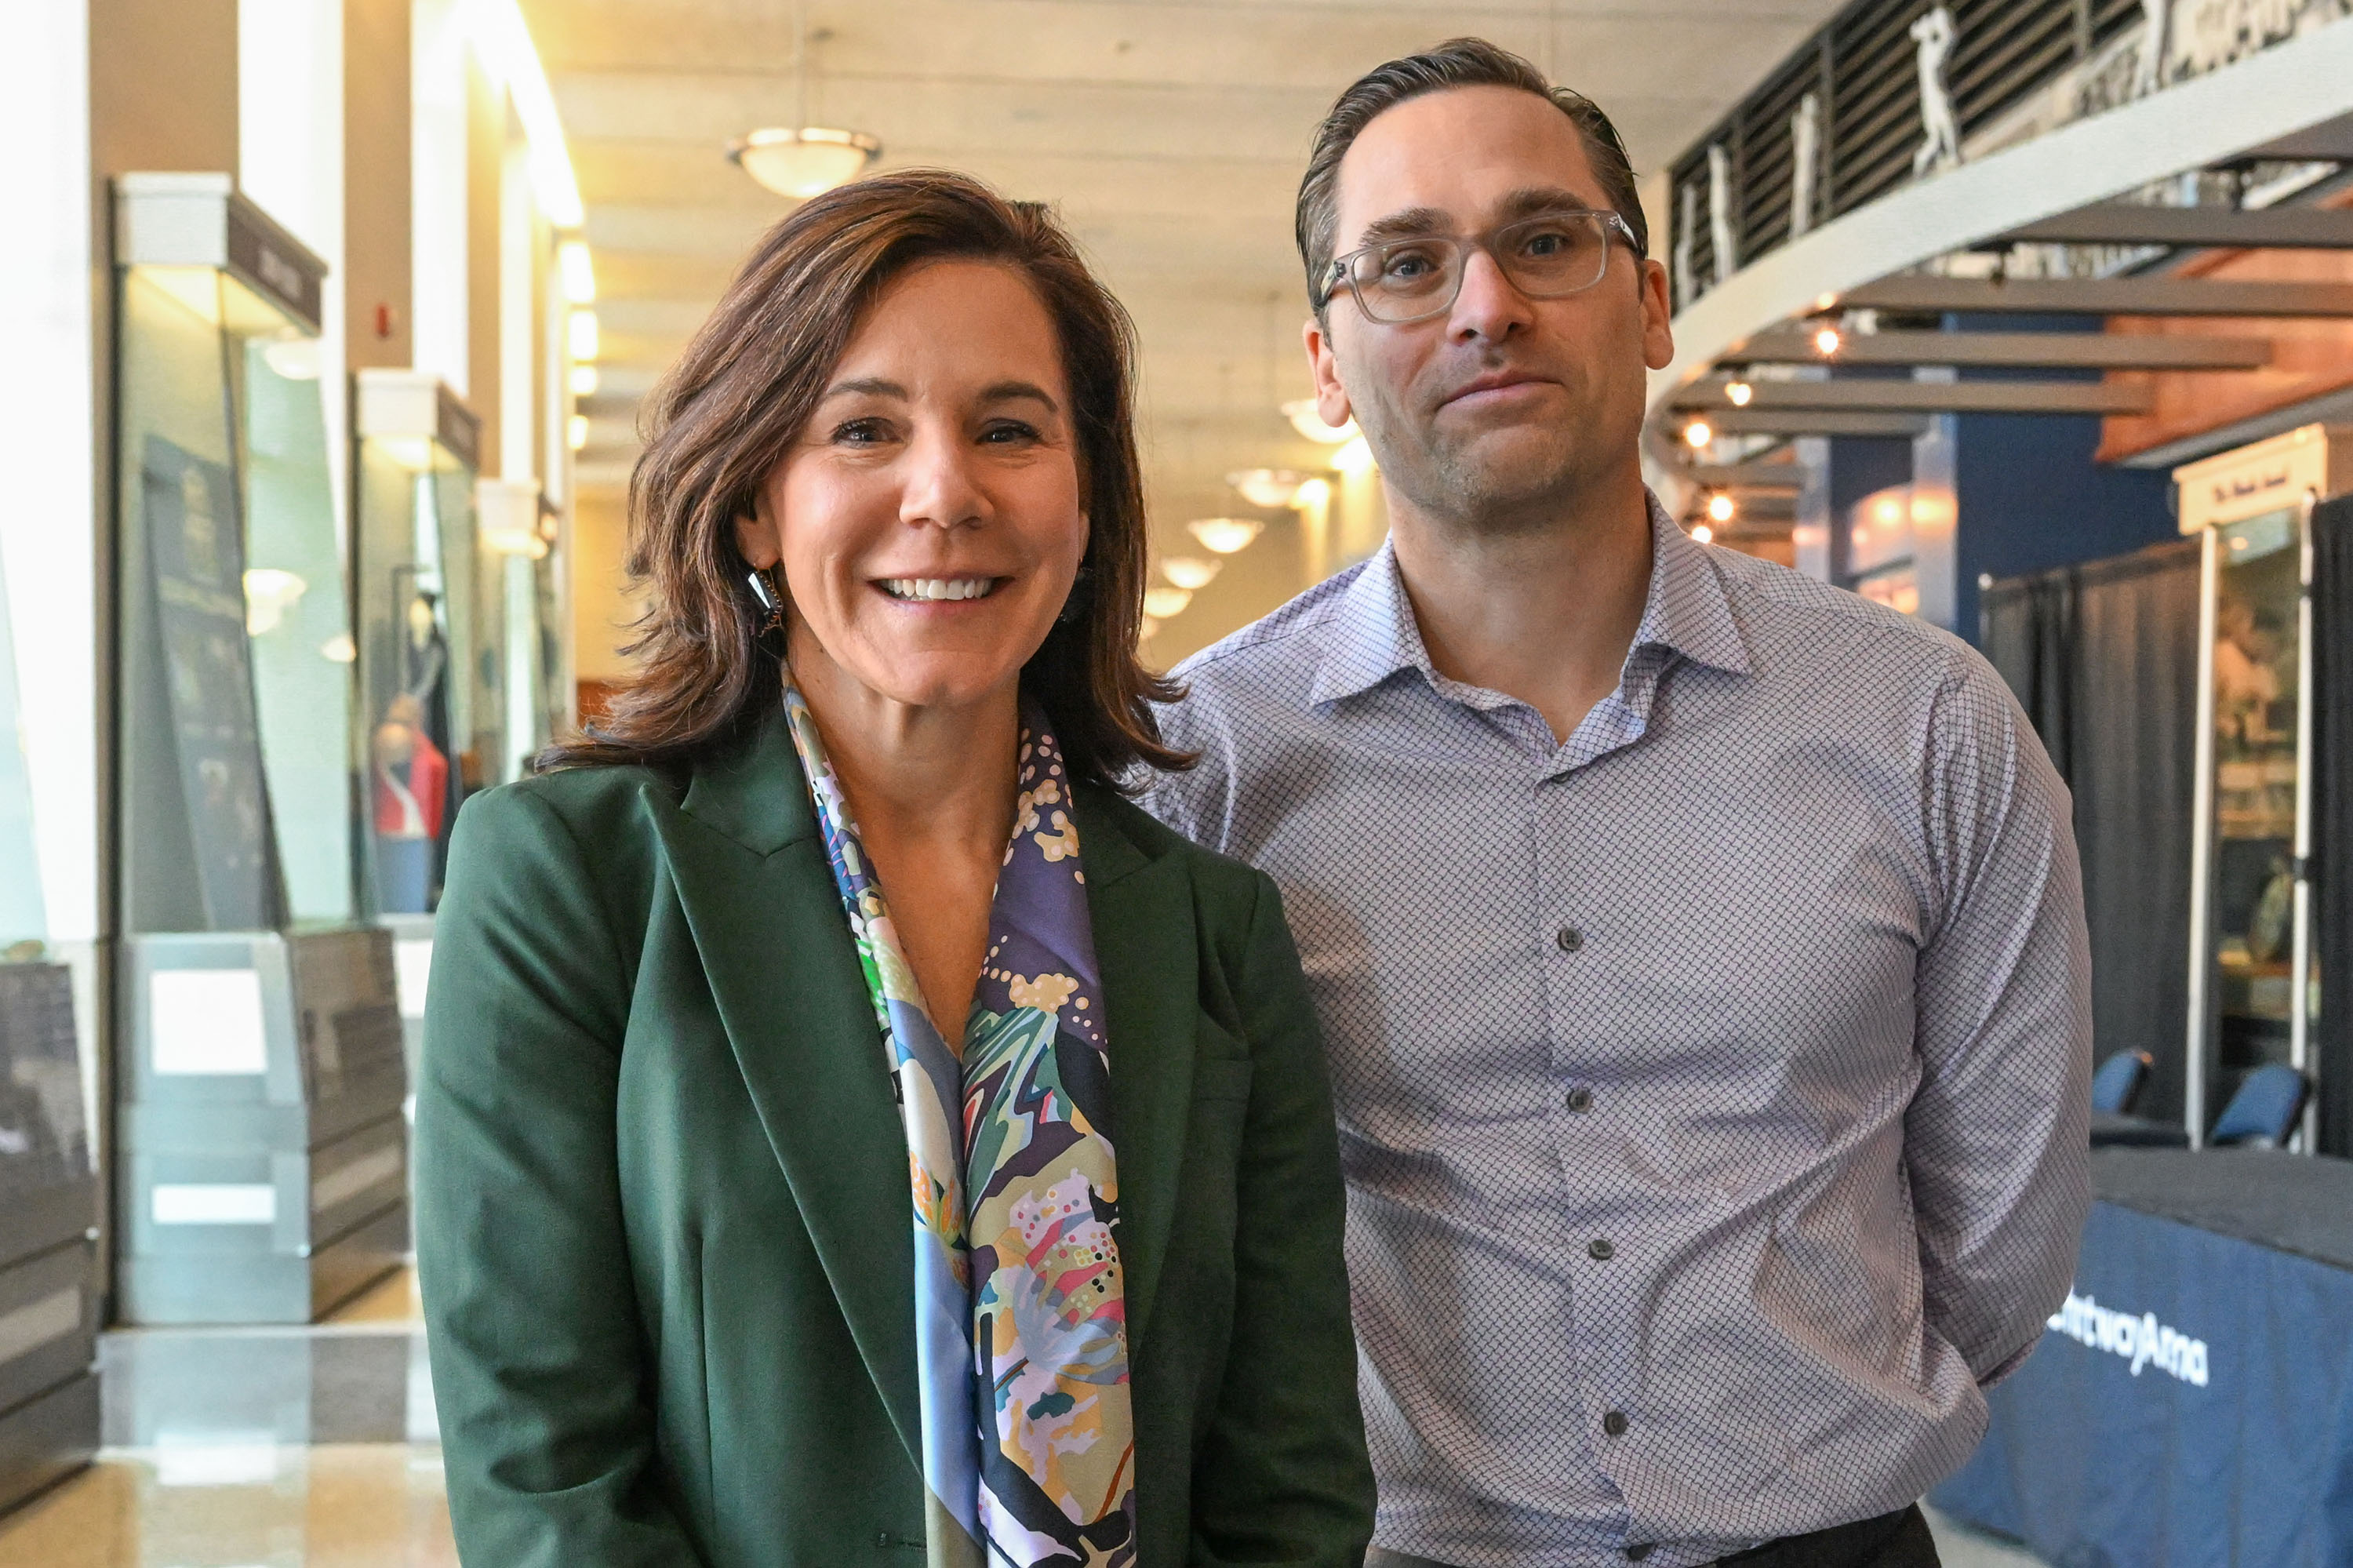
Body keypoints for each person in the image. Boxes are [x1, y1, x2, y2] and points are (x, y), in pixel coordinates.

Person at [1144, 40, 2091, 1568]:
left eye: (1544, 240)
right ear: (1325, 363)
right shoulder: (1206, 766)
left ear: (1648, 305)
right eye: (1404, 263)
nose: (1485, 306)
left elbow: (2003, 1231)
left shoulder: (1925, 724)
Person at [416, 171, 1373, 1568]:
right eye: (864, 429)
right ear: (755, 506)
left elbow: (1288, 1483)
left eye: (1010, 429)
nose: (946, 492)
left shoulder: (1218, 929)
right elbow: (543, 1476)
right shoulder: (570, 883)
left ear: (1086, 504)